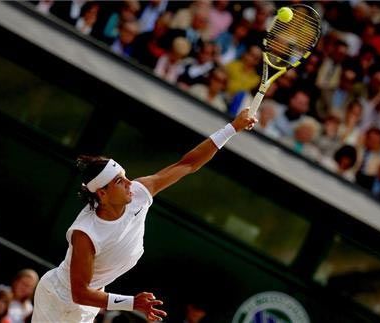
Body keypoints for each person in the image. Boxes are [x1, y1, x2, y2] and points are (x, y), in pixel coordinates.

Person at [31, 109, 257, 322]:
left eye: (125, 176)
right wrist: (132, 303)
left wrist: (232, 128)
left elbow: (188, 164)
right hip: (59, 299)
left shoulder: (138, 193)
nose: (131, 183)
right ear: (103, 193)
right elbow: (79, 293)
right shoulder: (86, 234)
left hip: (89, 300)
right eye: (120, 181)